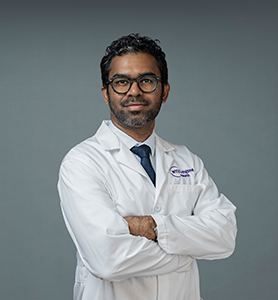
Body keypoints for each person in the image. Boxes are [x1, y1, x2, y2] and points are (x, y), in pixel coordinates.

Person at [57, 33, 237, 300]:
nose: (134, 91)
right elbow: (108, 259)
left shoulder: (187, 161)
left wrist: (151, 226)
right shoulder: (82, 162)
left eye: (147, 80)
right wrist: (187, 254)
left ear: (164, 91)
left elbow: (224, 236)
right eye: (121, 82)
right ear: (106, 94)